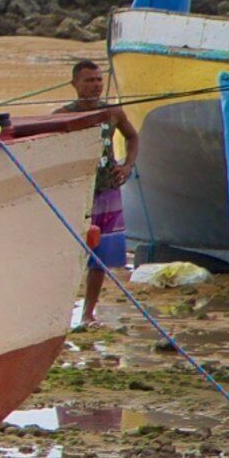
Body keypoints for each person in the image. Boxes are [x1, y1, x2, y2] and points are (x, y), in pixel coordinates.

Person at [71, 58, 138, 320]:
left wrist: (128, 166)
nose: (95, 85)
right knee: (73, 250)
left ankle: (88, 312)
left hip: (108, 189)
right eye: (89, 80)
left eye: (99, 79)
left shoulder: (113, 112)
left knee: (100, 256)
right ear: (75, 84)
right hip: (80, 191)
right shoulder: (64, 116)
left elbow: (132, 136)